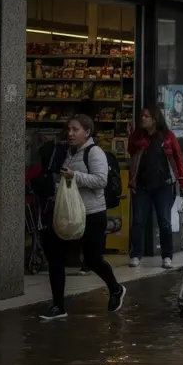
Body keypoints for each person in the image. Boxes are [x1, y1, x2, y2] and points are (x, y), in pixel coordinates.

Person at [40, 115, 127, 320]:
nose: (70, 134)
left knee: (92, 259)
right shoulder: (68, 152)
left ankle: (115, 289)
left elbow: (100, 180)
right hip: (69, 214)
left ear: (87, 132)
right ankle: (58, 306)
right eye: (68, 129)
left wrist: (74, 176)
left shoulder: (94, 152)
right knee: (55, 256)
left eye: (75, 130)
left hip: (92, 213)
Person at [127, 106, 183, 269]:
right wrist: (136, 140)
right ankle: (135, 254)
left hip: (164, 184)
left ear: (155, 119)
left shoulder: (167, 136)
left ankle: (167, 255)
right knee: (138, 220)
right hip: (141, 184)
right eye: (141, 116)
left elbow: (177, 157)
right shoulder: (137, 136)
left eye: (146, 116)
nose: (143, 119)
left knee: (164, 221)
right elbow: (130, 151)